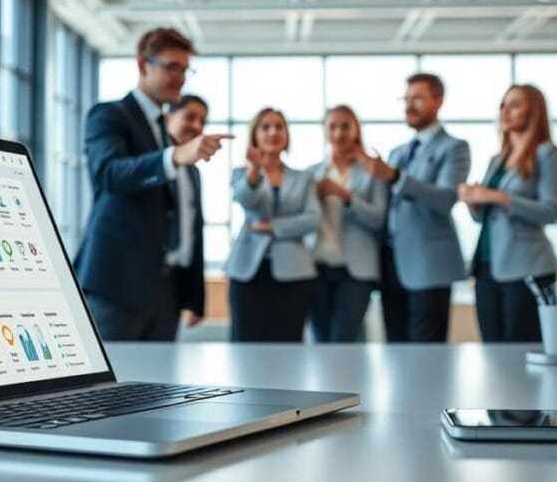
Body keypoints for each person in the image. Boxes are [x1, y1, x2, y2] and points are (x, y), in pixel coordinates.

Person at [75, 28, 231, 341]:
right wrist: (173, 157)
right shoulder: (110, 115)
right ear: (144, 65)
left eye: (185, 70)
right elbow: (109, 174)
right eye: (172, 67)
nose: (181, 77)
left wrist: (192, 294)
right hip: (118, 285)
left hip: (166, 292)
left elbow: (185, 223)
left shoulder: (162, 131)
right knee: (110, 384)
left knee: (156, 387)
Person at [360, 73, 470, 342]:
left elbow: (445, 199)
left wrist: (396, 177)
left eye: (417, 98)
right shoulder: (398, 152)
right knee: (395, 349)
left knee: (426, 353)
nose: (409, 106)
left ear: (438, 101)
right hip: (391, 263)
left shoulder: (454, 148)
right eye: (406, 99)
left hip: (428, 266)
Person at [458, 84, 557, 342]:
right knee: (493, 351)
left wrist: (499, 197)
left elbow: (550, 211)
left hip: (527, 267)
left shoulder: (546, 154)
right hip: (487, 266)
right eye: (503, 105)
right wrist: (474, 202)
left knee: (519, 350)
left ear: (534, 111)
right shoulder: (497, 159)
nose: (505, 111)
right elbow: (484, 217)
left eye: (515, 104)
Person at [224, 108, 320, 342]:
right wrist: (254, 172)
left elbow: (313, 219)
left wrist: (272, 227)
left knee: (288, 343)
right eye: (265, 127)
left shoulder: (304, 178)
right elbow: (251, 204)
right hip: (248, 272)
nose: (273, 132)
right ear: (254, 134)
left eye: (279, 126)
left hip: (293, 273)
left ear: (287, 134)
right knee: (244, 344)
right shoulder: (241, 174)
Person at [307, 105, 388, 342]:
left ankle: (349, 380)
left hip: (356, 271)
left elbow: (378, 219)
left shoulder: (372, 172)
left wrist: (346, 196)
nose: (339, 132)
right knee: (320, 340)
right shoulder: (312, 174)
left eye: (345, 126)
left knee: (345, 339)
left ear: (356, 130)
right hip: (316, 267)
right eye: (333, 126)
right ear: (325, 131)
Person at [162, 95, 210, 326]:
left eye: (202, 121)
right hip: (133, 283)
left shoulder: (193, 172)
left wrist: (196, 300)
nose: (197, 126)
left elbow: (194, 234)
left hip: (173, 288)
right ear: (168, 117)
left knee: (162, 359)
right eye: (190, 117)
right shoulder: (151, 161)